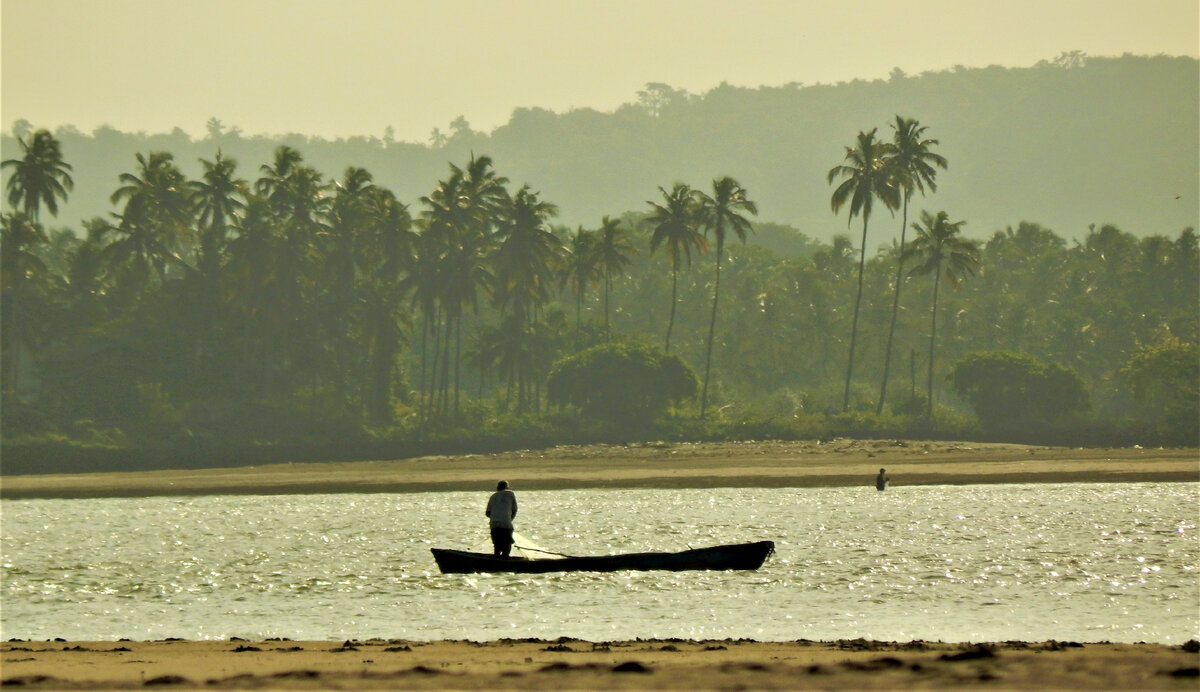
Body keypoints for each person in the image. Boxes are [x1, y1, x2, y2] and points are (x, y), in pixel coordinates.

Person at [485, 480, 518, 558]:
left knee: (497, 545)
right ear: (507, 487)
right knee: (507, 545)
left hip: (494, 524)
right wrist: (509, 519)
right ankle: (505, 559)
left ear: (497, 487)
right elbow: (514, 509)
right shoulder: (510, 494)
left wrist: (495, 517)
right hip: (506, 524)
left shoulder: (493, 496)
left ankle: (497, 559)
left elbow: (487, 513)